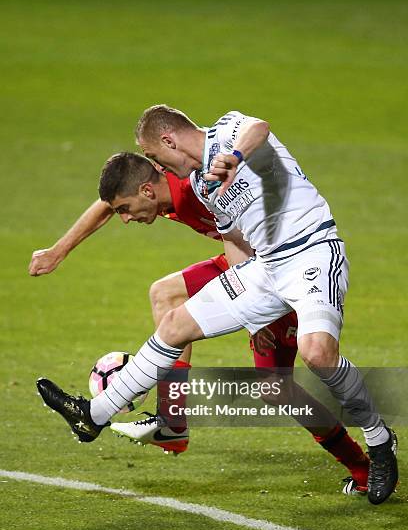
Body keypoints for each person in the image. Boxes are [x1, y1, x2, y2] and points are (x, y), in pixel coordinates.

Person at [37, 111, 397, 506]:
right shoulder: (199, 184)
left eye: (154, 154)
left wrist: (236, 157)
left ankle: (378, 439)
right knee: (175, 323)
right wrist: (252, 313)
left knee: (317, 354)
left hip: (311, 251)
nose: (157, 165)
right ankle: (95, 415)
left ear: (170, 141)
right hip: (264, 267)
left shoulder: (226, 132)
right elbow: (235, 244)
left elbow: (259, 128)